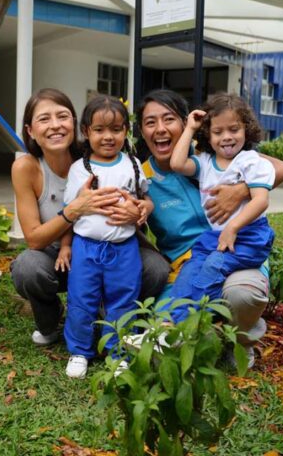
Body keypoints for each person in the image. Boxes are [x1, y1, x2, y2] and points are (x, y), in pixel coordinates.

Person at [137, 89, 283, 366]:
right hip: (189, 263)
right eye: (150, 122)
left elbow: (282, 169)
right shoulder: (143, 176)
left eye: (168, 119)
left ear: (185, 123)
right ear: (141, 130)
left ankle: (242, 341)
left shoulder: (223, 156)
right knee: (165, 335)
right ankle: (203, 332)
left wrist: (241, 190)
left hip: (237, 248)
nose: (160, 129)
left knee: (241, 294)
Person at [10, 89, 170, 347]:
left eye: (62, 116)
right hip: (60, 258)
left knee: (156, 268)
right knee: (28, 268)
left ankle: (112, 316)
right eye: (44, 119)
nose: (55, 126)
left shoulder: (101, 152)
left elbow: (140, 194)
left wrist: (141, 209)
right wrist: (74, 210)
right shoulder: (26, 167)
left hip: (115, 251)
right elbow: (33, 240)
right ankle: (50, 322)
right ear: (30, 130)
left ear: (75, 124)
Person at [61, 95, 152, 379]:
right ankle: (79, 351)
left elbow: (145, 198)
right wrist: (65, 246)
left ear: (126, 131)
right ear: (86, 132)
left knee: (123, 299)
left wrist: (142, 209)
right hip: (86, 248)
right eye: (99, 130)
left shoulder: (134, 165)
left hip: (124, 248)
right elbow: (70, 210)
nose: (108, 137)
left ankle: (119, 351)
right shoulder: (79, 169)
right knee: (81, 298)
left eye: (116, 129)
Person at [168, 93, 275, 324]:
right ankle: (172, 322)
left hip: (249, 237)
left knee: (213, 266)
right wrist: (189, 129)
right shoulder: (205, 161)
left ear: (246, 129)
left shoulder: (251, 161)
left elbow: (260, 200)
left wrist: (233, 227)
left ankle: (193, 323)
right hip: (216, 237)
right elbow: (177, 163)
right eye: (218, 132)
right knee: (190, 269)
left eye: (234, 129)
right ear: (208, 134)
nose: (226, 137)